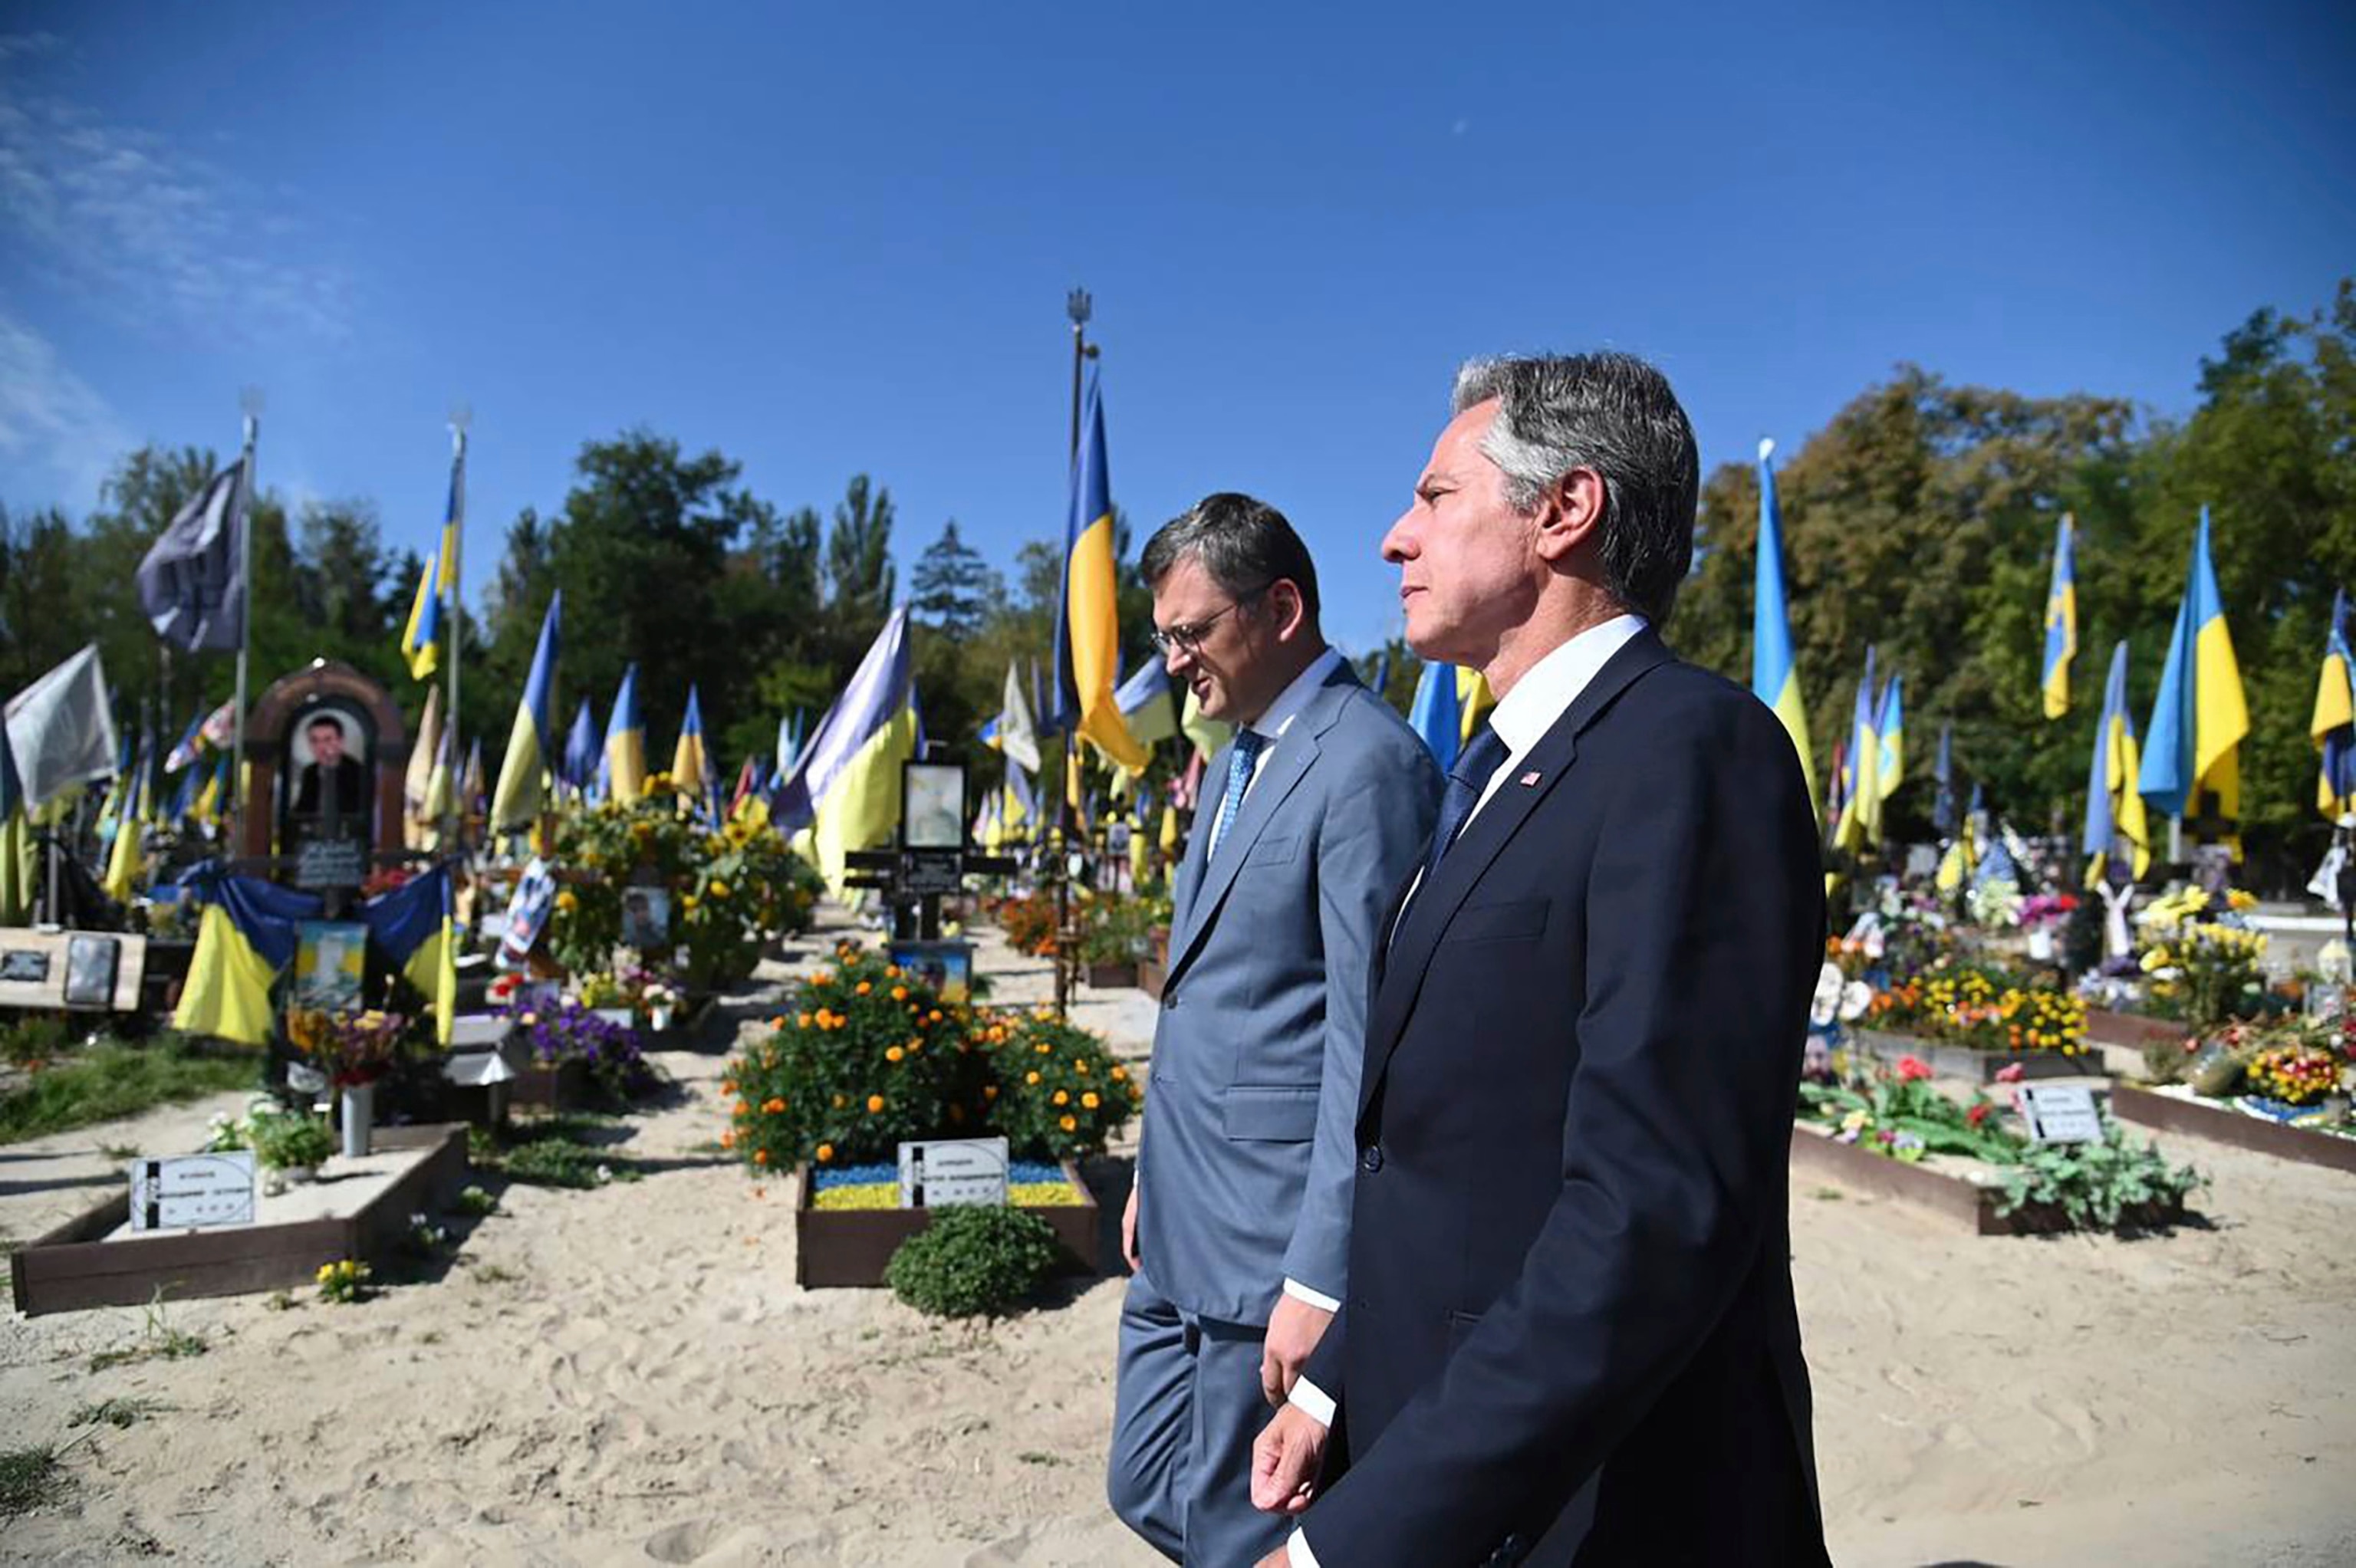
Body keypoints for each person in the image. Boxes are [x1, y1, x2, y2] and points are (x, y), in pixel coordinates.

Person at [1250, 353, 1831, 1567]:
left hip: (1603, 1502)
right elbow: (1452, 1157)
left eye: (1436, 496)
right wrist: (1332, 1389)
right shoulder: (1498, 771)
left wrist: (1356, 1542)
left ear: (1563, 511)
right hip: (1454, 1446)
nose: (1393, 538)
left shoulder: (1690, 753)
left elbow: (1646, 1216)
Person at [1107, 492, 1442, 1566]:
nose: (1172, 663)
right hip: (1180, 1222)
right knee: (1145, 1485)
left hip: (1269, 1253)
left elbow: (1368, 1041)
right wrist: (1152, 1177)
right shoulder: (1240, 753)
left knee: (1237, 1529)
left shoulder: (1365, 762)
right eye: (1164, 638)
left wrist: (1320, 1277)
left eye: (1190, 633)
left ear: (1282, 606)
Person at [291, 713, 370, 840]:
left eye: (327, 740)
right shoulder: (310, 772)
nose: (321, 747)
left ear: (340, 741)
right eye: (315, 741)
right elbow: (303, 810)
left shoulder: (358, 772)